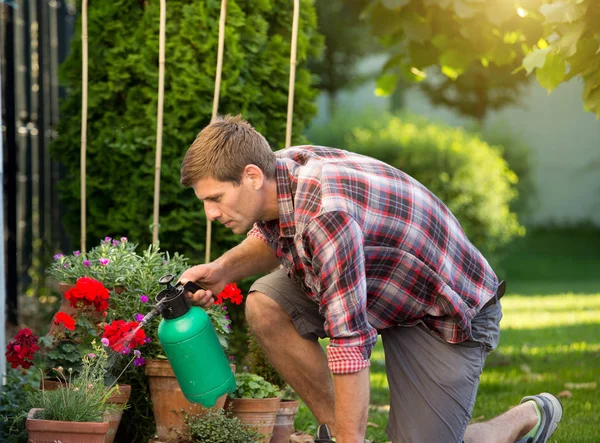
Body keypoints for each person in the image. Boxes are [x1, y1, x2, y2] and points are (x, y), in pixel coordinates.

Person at [178, 115, 562, 443]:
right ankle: (340, 428)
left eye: (216, 198)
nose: (211, 213)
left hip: (442, 313)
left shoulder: (327, 215)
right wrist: (223, 270)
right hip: (380, 289)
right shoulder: (279, 171)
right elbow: (272, 235)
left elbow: (349, 343)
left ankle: (525, 416)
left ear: (251, 176)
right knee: (265, 304)